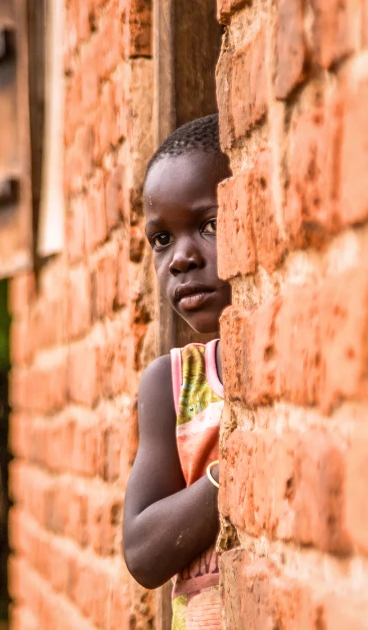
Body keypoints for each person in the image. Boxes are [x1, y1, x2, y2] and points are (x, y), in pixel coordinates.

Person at [122, 114, 232, 629]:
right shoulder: (170, 383)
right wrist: (226, 477)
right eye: (162, 239)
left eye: (208, 226)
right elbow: (142, 551)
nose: (182, 258)